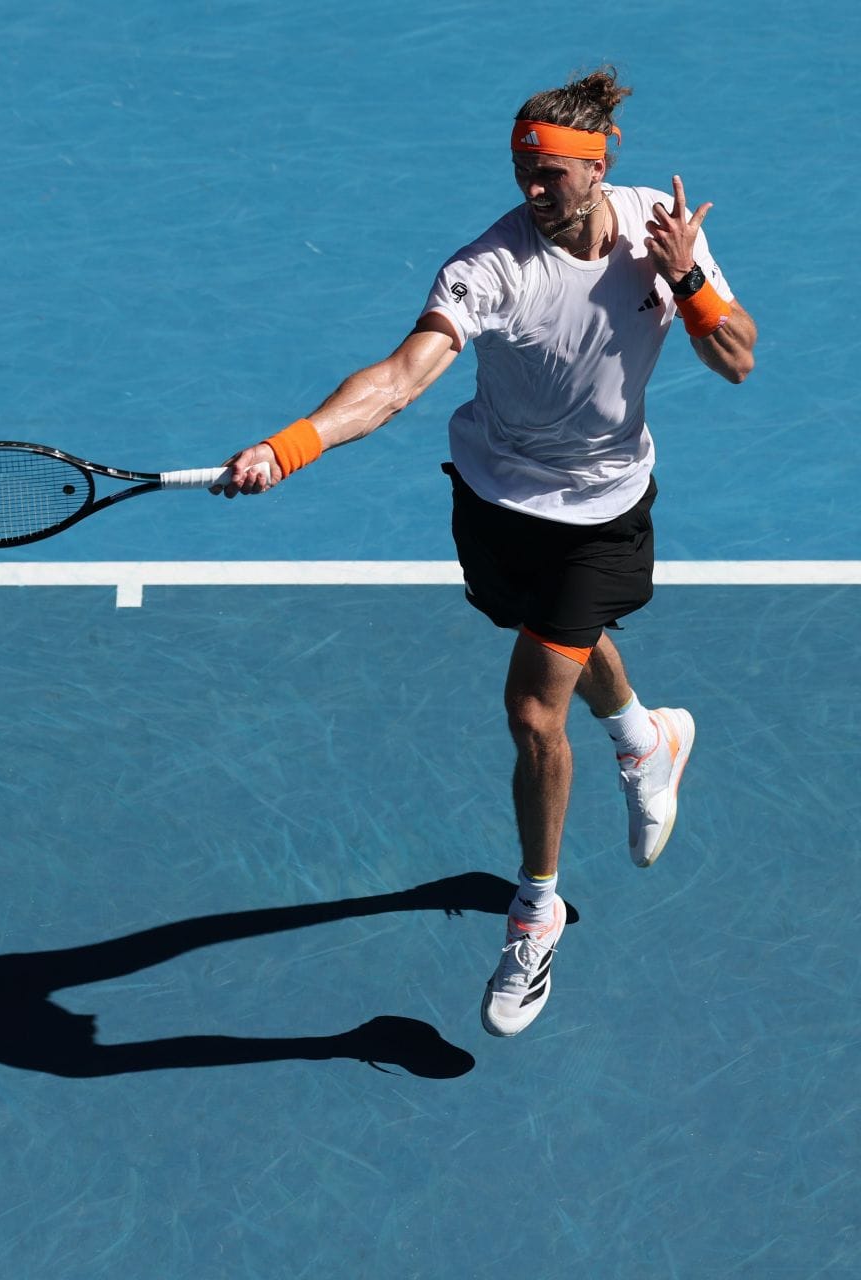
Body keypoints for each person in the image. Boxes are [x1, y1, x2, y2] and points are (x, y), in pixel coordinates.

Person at [214, 67, 757, 1038]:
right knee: (550, 631)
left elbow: (740, 356)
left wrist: (687, 277)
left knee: (531, 705)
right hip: (497, 497)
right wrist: (292, 444)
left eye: (551, 174)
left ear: (601, 166)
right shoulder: (488, 269)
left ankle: (535, 910)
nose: (532, 192)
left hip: (602, 512)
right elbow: (398, 378)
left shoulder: (659, 235)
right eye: (522, 173)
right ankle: (645, 735)